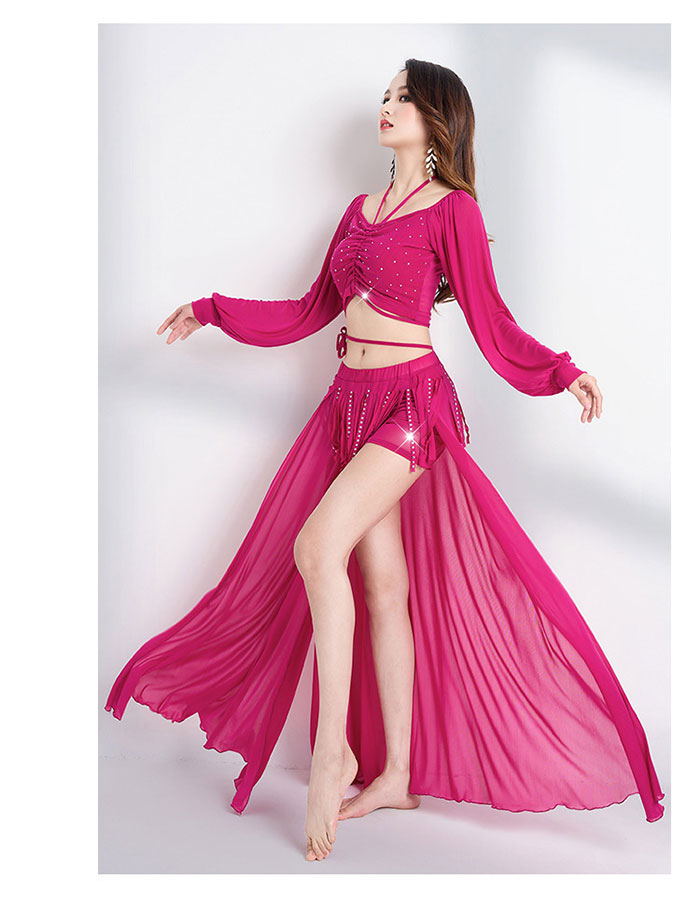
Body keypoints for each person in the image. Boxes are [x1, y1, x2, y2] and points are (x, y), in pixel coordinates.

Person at [104, 59, 665, 863]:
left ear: (437, 118)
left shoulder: (453, 210)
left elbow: (493, 323)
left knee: (314, 548)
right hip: (348, 403)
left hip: (410, 405)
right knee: (382, 582)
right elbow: (309, 311)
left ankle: (333, 749)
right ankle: (396, 772)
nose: (388, 104)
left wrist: (559, 370)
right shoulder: (357, 213)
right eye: (387, 94)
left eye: (404, 95)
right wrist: (213, 308)